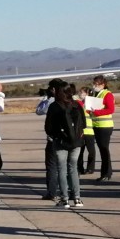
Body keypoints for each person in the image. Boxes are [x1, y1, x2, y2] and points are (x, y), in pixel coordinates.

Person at [45, 80, 86, 208]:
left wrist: (55, 136)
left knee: (61, 169)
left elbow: (48, 127)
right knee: (73, 168)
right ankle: (77, 198)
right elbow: (84, 124)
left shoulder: (54, 106)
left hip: (60, 142)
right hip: (76, 143)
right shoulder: (77, 105)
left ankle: (64, 199)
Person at [87, 75, 115, 182]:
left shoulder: (107, 94)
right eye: (94, 83)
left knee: (104, 149)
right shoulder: (95, 94)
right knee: (102, 149)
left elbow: (110, 109)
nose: (94, 86)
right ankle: (107, 171)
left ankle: (106, 173)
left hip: (105, 126)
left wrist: (97, 112)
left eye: (96, 84)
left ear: (103, 84)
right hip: (96, 125)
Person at [76, 86, 96, 175]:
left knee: (91, 151)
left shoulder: (92, 104)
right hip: (80, 131)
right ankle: (80, 168)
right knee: (80, 151)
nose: (81, 94)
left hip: (89, 131)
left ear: (87, 94)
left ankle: (90, 168)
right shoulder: (77, 103)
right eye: (80, 92)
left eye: (82, 92)